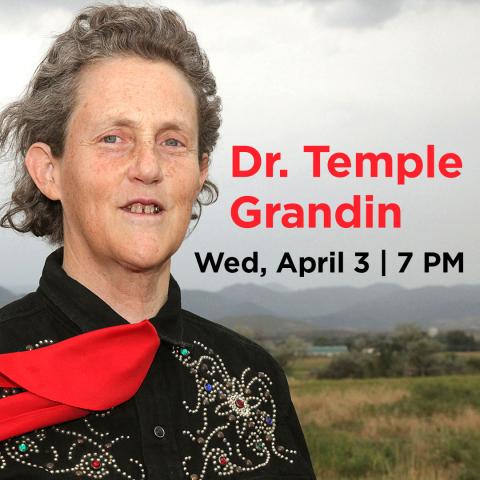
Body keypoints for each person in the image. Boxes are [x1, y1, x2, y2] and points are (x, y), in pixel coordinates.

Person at [0, 4, 316, 479]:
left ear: (199, 173)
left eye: (172, 142)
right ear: (50, 171)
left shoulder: (256, 380)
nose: (148, 167)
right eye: (113, 138)